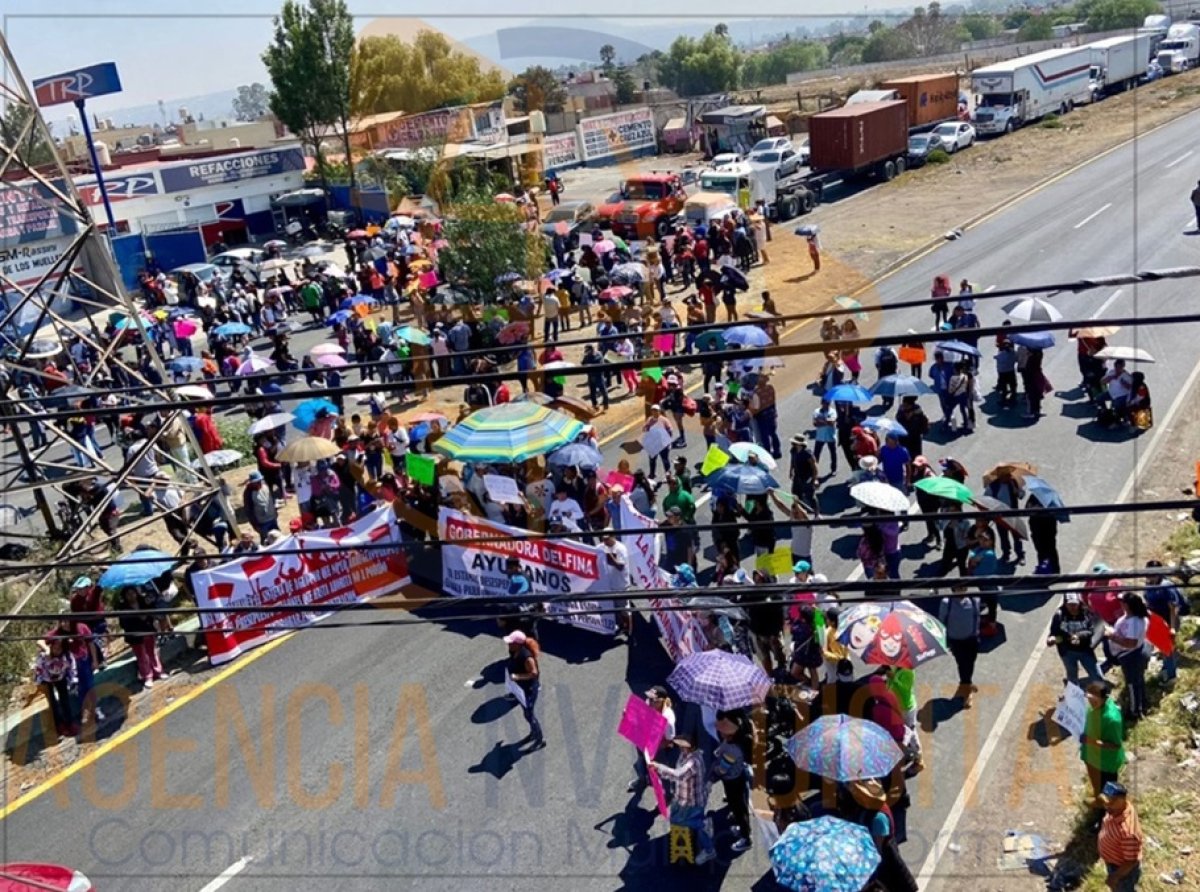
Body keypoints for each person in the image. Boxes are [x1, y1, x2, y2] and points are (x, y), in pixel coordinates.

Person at [650, 732, 717, 865]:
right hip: (682, 798)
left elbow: (678, 775)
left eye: (683, 746)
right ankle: (702, 823)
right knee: (674, 817)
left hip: (693, 803)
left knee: (677, 820)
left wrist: (658, 767)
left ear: (691, 747)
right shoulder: (686, 754)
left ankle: (709, 847)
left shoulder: (693, 762)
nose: (680, 748)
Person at [711, 715, 753, 853]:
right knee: (737, 806)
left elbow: (722, 769)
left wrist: (714, 769)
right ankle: (742, 828)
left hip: (733, 781)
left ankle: (746, 838)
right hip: (735, 779)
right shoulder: (731, 743)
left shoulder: (732, 751)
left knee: (739, 809)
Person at [1105, 592, 1150, 720]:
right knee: (1138, 681)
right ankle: (1142, 704)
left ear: (1128, 605)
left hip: (1132, 656)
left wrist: (1111, 636)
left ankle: (1134, 711)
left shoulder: (1135, 622)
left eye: (1122, 601)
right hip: (1131, 654)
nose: (1120, 603)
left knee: (1132, 684)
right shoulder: (1130, 617)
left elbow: (1131, 643)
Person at [627, 685, 675, 797]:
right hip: (642, 742)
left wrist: (653, 748)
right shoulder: (648, 704)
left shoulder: (668, 718)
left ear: (661, 701)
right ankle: (643, 780)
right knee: (640, 763)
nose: (649, 701)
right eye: (649, 698)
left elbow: (669, 740)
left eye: (653, 699)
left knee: (660, 772)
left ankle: (667, 794)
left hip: (657, 749)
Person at [939, 585, 982, 706]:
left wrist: (976, 635)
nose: (962, 591)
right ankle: (967, 689)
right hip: (956, 640)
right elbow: (942, 621)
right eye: (959, 588)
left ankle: (966, 683)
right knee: (962, 664)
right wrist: (944, 641)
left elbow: (977, 617)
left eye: (963, 588)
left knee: (970, 662)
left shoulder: (974, 600)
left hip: (971, 639)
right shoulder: (947, 603)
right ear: (953, 589)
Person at [1097, 782, 1143, 891]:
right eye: (1105, 802)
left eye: (1110, 803)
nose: (1106, 806)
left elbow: (1131, 861)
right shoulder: (1116, 810)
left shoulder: (1128, 833)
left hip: (1122, 870)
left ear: (1122, 800)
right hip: (1113, 860)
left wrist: (1115, 877)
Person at [1049, 593, 1102, 685]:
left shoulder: (1086, 613)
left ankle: (1102, 695)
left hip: (1085, 651)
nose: (1073, 607)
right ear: (1065, 604)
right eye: (1070, 604)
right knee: (1072, 676)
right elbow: (1054, 632)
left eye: (1075, 604)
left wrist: (1079, 636)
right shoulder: (1059, 615)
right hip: (1067, 652)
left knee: (1096, 675)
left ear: (1079, 603)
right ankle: (1073, 696)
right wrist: (1052, 639)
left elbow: (1092, 630)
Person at [1143, 560, 1183, 684]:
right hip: (1157, 623)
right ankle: (1167, 667)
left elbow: (1173, 608)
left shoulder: (1166, 586)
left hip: (1168, 622)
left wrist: (1172, 627)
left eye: (1153, 574)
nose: (1149, 576)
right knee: (1164, 648)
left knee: (1168, 650)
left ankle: (1171, 676)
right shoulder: (1149, 585)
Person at [503, 630, 544, 748]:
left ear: (518, 644)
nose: (509, 644)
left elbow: (534, 673)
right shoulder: (513, 651)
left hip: (529, 690)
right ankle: (533, 733)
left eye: (511, 642)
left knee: (529, 714)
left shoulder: (526, 658)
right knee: (526, 713)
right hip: (521, 689)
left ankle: (539, 738)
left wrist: (518, 676)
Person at [33, 636, 77, 738]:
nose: (57, 650)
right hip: (46, 679)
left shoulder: (67, 656)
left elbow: (72, 669)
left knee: (64, 700)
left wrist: (73, 681)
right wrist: (40, 682)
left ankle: (70, 722)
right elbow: (38, 669)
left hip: (61, 678)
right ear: (51, 647)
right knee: (52, 703)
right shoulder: (43, 656)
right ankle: (59, 725)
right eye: (54, 648)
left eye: (59, 648)